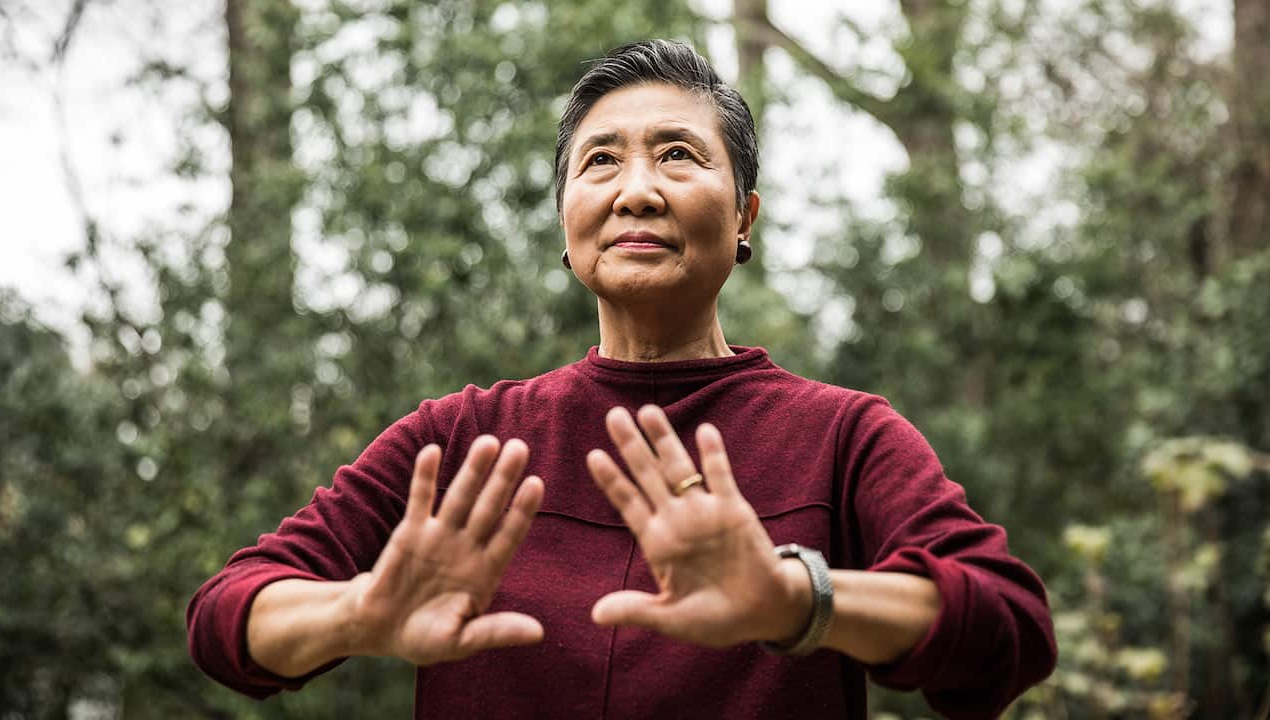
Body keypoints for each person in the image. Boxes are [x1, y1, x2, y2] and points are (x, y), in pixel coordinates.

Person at [187, 39, 1057, 719]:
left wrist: (795, 596)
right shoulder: (460, 439)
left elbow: (1008, 627)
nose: (636, 190)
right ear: (566, 226)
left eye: (678, 154)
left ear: (745, 216)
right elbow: (228, 614)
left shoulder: (843, 436)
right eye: (600, 161)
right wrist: (357, 615)